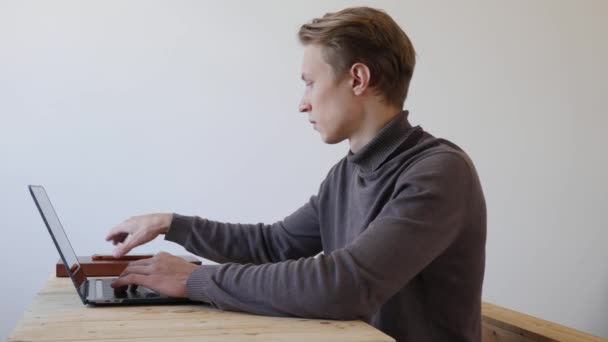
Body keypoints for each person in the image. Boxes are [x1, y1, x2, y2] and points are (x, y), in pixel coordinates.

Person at [107, 6, 486, 342]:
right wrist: (172, 224)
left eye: (309, 82)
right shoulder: (345, 174)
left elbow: (347, 284)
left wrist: (194, 281)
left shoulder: (439, 172)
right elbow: (274, 246)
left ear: (357, 79)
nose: (302, 103)